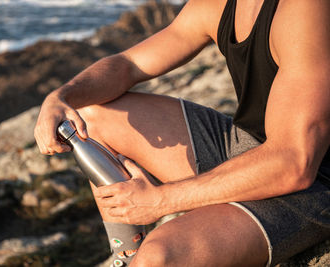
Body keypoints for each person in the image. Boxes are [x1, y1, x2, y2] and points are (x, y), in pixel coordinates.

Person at [34, 0, 330, 266]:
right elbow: (129, 65)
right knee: (93, 116)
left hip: (313, 183)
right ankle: (124, 257)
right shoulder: (220, 4)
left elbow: (294, 162)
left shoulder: (304, 9)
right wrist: (61, 97)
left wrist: (159, 201)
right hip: (249, 147)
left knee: (158, 258)